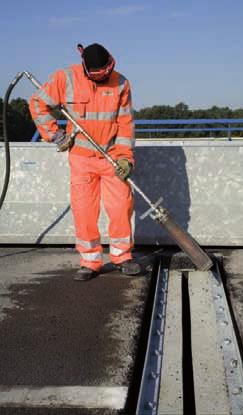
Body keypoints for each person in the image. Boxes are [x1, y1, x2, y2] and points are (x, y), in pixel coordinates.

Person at [29, 42, 141, 280]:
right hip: (81, 158)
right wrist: (55, 135)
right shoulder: (65, 78)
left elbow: (125, 124)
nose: (104, 79)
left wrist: (125, 158)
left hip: (112, 157)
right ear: (86, 68)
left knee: (121, 207)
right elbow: (38, 103)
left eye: (106, 74)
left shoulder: (121, 83)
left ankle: (122, 256)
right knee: (84, 210)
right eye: (98, 77)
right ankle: (90, 261)